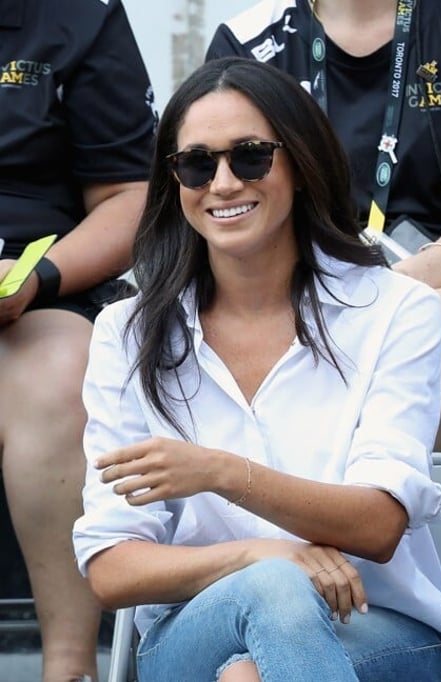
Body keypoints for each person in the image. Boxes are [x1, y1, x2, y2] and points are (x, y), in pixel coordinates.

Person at [72, 57, 441, 681]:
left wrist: (219, 473)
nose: (224, 182)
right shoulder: (125, 334)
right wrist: (261, 558)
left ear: (300, 163)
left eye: (251, 156)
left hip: (386, 633)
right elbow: (110, 566)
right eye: (197, 164)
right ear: (174, 180)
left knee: (248, 675)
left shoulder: (395, 310)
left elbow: (377, 524)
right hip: (193, 633)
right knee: (270, 594)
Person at [206, 0, 441, 614]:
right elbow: (217, 201)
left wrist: (380, 302)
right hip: (298, 303)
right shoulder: (250, 36)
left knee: (435, 333)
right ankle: (298, 601)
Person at [0, 1, 155, 679]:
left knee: (65, 372)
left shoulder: (77, 15)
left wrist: (38, 276)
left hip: (31, 292)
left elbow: (130, 196)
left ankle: (70, 665)